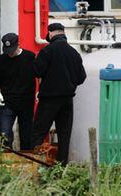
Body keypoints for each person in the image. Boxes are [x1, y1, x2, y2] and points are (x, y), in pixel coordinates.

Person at [32, 23, 86, 165]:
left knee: (38, 132)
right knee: (64, 135)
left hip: (48, 100)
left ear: (50, 33)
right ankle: (61, 169)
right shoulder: (74, 53)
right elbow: (81, 77)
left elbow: (37, 71)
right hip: (67, 99)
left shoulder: (47, 51)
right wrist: (69, 84)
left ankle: (35, 164)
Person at [0, 33, 36, 150]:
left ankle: (27, 160)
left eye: (12, 50)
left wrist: (39, 92)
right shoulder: (0, 60)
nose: (10, 53)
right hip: (8, 102)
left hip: (26, 102)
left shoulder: (30, 57)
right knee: (5, 134)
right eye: (7, 50)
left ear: (18, 44)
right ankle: (6, 161)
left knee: (26, 135)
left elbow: (39, 75)